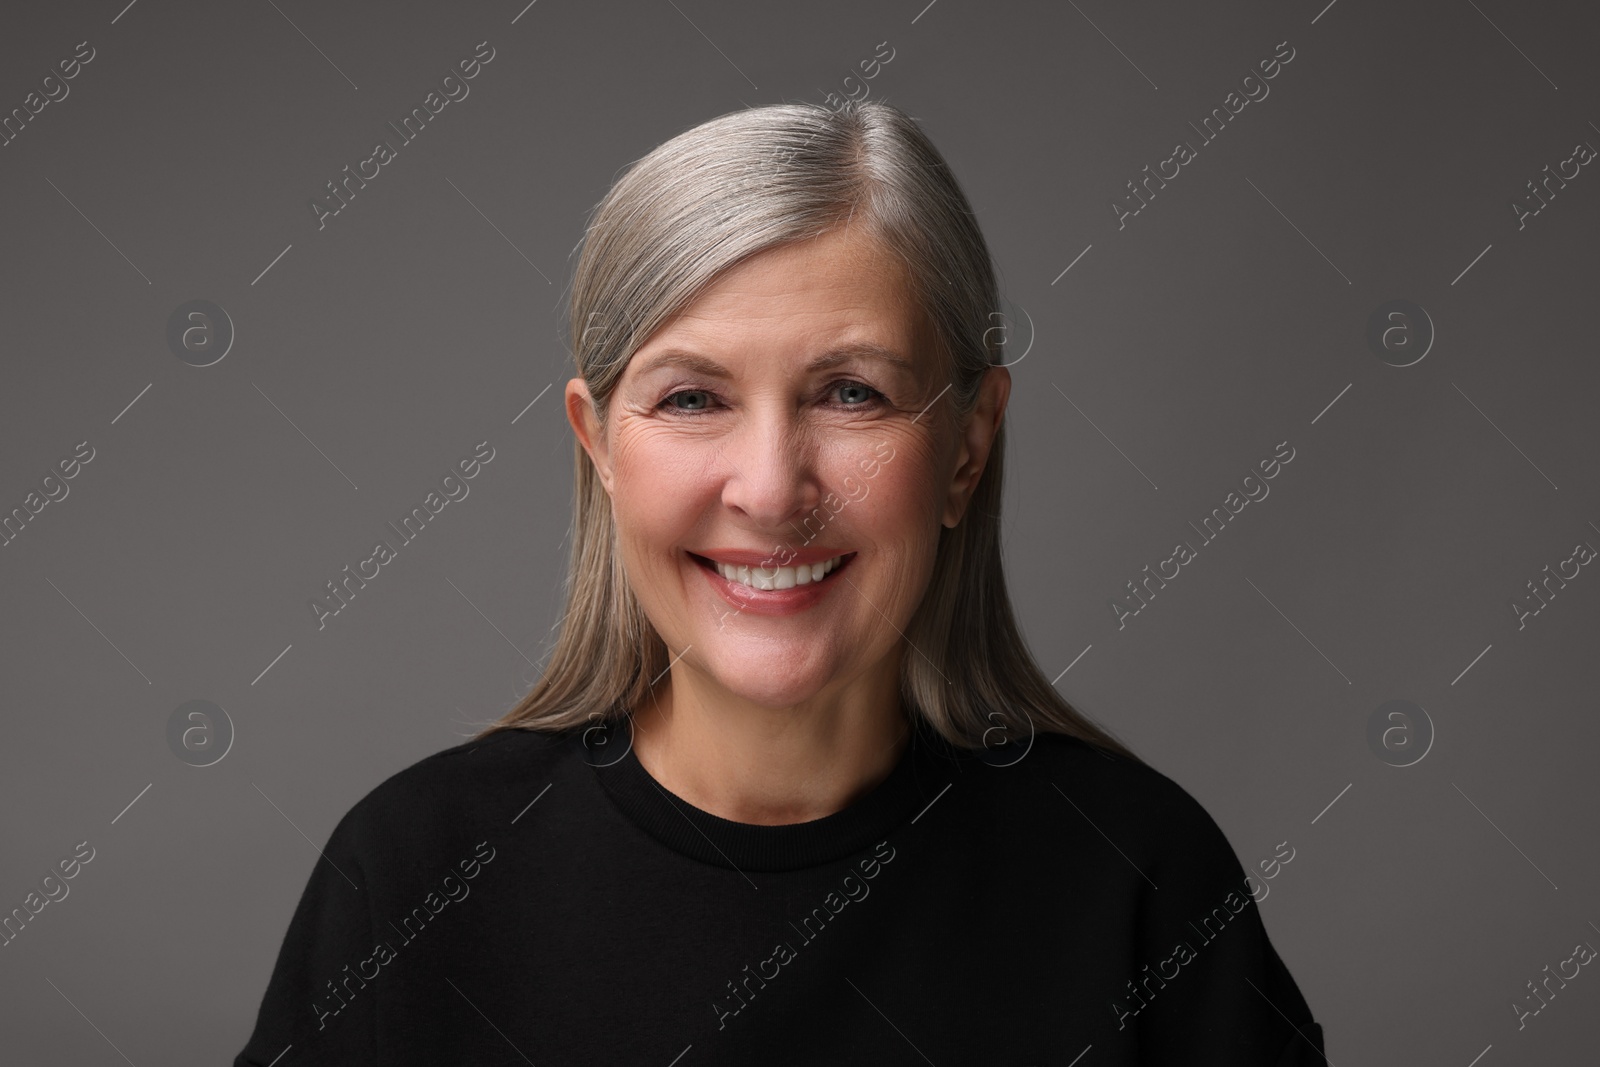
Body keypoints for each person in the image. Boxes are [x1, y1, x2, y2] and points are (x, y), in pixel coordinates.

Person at [235, 99, 1326, 1065]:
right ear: (599, 446)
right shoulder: (411, 877)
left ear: (965, 446)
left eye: (850, 393)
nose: (769, 488)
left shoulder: (1141, 883)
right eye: (692, 398)